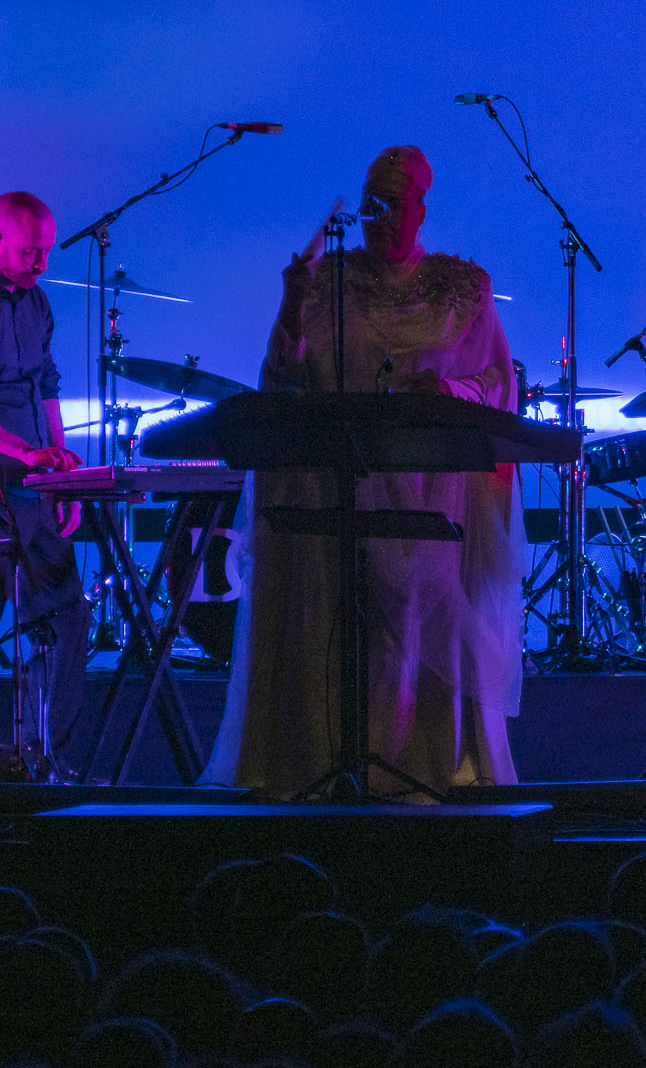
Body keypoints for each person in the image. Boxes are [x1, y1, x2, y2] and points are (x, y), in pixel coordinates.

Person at [203, 146, 526, 798]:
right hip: (338, 483)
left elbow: (497, 386)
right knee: (345, 630)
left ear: (420, 209)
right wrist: (293, 304)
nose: (378, 218)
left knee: (416, 630)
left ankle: (420, 768)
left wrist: (447, 393)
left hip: (430, 490)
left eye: (393, 204)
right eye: (369, 202)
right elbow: (282, 382)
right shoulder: (326, 282)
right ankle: (333, 765)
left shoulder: (463, 288)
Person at [0, 192, 89, 782]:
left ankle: (45, 759)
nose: (41, 261)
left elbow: (47, 386)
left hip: (34, 485)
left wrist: (65, 475)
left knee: (66, 618)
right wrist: (26, 453)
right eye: (29, 250)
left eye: (46, 250)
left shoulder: (38, 302)